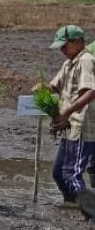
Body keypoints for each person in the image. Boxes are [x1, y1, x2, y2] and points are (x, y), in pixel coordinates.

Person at [40, 25, 95, 206]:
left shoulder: (86, 60)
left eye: (65, 46)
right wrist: (42, 89)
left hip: (81, 125)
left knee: (71, 173)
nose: (62, 50)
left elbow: (90, 92)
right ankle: (72, 204)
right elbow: (54, 85)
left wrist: (68, 111)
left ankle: (89, 208)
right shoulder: (69, 63)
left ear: (78, 42)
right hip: (69, 126)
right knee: (58, 173)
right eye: (61, 47)